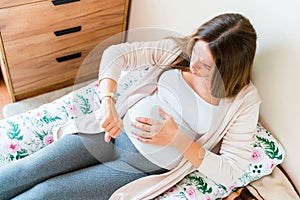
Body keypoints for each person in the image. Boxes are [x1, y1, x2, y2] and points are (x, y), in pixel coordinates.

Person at [0, 13, 261, 199]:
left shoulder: (243, 101)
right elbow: (117, 54)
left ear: (228, 70)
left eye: (206, 66)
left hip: (139, 167)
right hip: (110, 133)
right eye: (196, 53)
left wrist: (176, 139)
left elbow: (230, 171)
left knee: (47, 194)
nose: (194, 64)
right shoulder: (177, 51)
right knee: (30, 168)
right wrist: (107, 103)